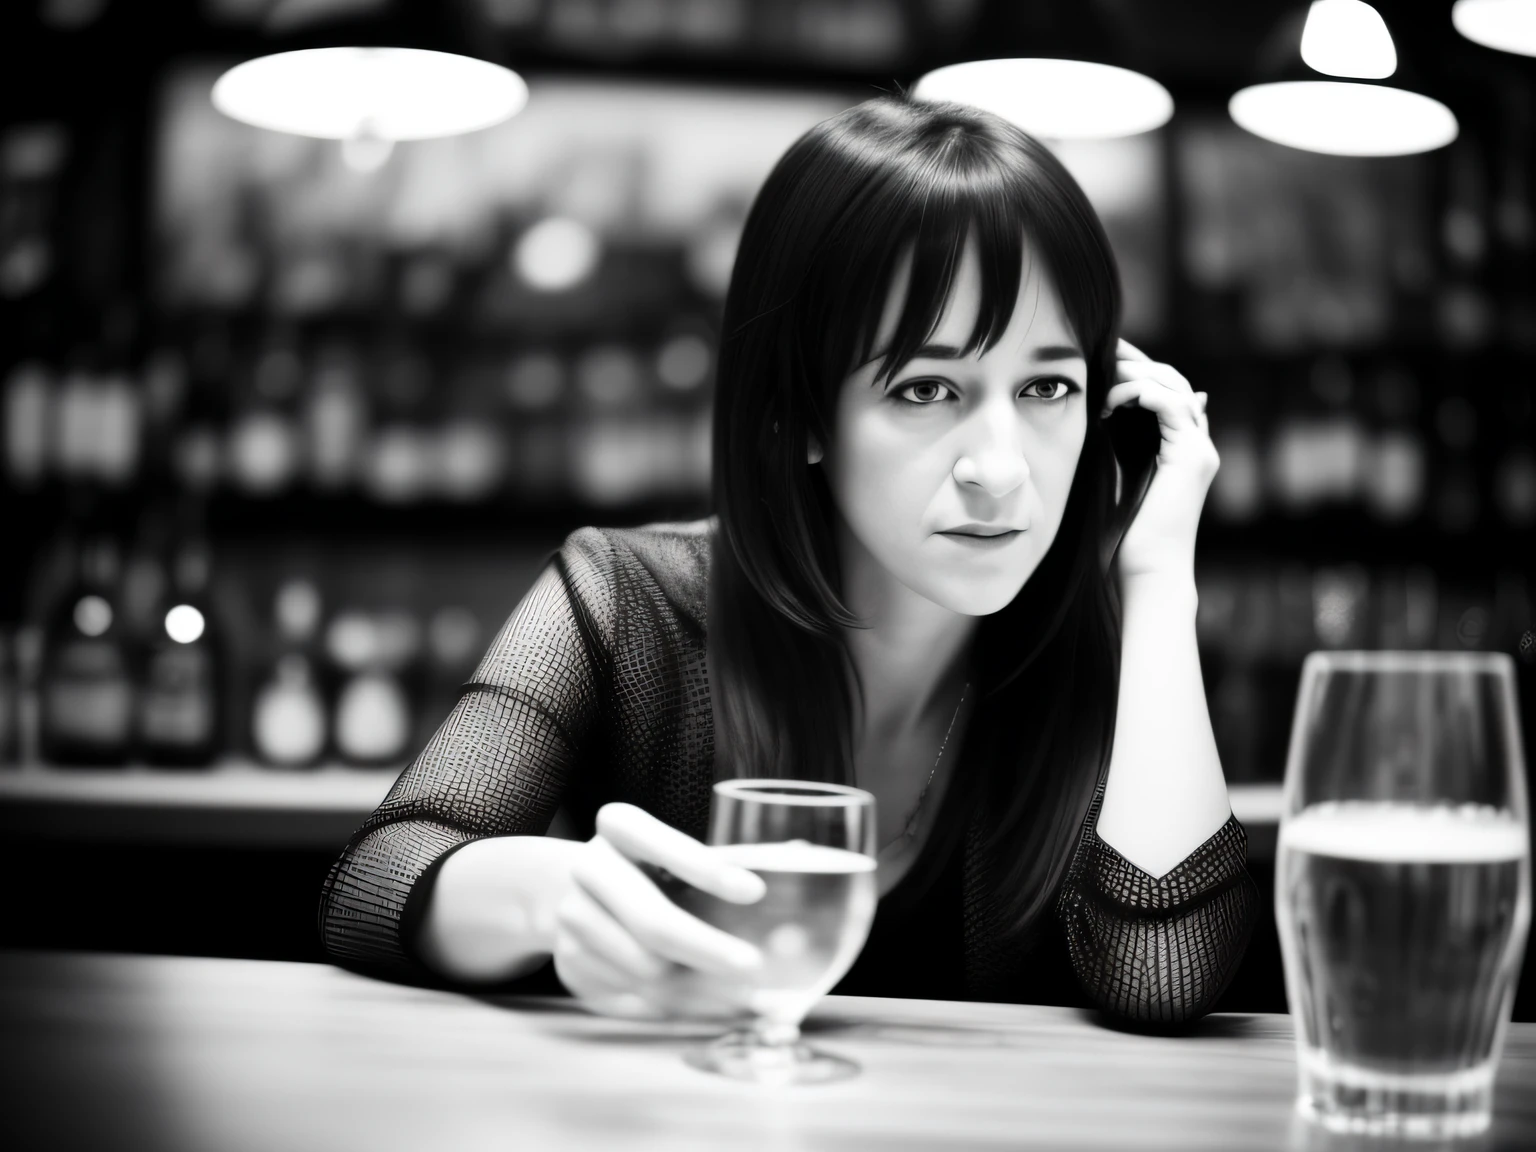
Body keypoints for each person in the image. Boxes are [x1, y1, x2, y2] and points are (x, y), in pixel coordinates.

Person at [318, 93, 1260, 1029]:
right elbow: (376, 877)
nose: (1003, 471)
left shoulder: (1095, 656)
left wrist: (1157, 575)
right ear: (801, 414)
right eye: (928, 388)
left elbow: (1163, 975)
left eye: (1049, 386)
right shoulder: (633, 603)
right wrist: (547, 897)